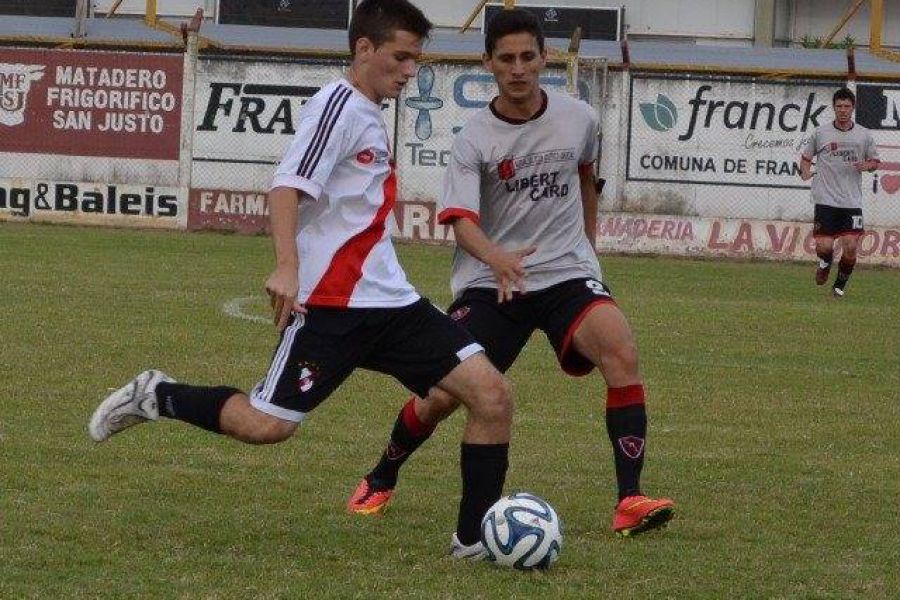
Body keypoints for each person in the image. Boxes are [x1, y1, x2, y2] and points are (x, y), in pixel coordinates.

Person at [87, 0, 512, 558]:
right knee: (265, 426)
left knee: (492, 394)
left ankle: (473, 540)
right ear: (364, 48)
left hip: (391, 302)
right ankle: (156, 394)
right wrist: (287, 265)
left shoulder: (368, 110)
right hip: (331, 306)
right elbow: (287, 185)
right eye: (402, 56)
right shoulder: (336, 106)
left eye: (417, 59)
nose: (411, 70)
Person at [347, 8, 674, 538]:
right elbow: (460, 221)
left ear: (545, 57)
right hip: (491, 282)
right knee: (445, 396)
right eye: (506, 59)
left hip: (565, 272)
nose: (518, 68)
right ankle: (383, 473)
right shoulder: (475, 139)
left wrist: (587, 250)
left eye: (528, 57)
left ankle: (630, 498)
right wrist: (495, 257)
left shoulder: (579, 119)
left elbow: (588, 177)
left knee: (622, 350)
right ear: (489, 65)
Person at [800, 87, 880, 298]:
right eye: (839, 106)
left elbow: (875, 162)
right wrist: (805, 172)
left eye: (847, 106)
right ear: (834, 108)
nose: (843, 110)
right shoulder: (821, 133)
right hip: (825, 198)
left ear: (853, 108)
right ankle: (825, 262)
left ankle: (839, 286)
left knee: (851, 245)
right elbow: (806, 157)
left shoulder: (864, 135)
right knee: (824, 246)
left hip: (851, 201)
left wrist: (868, 165)